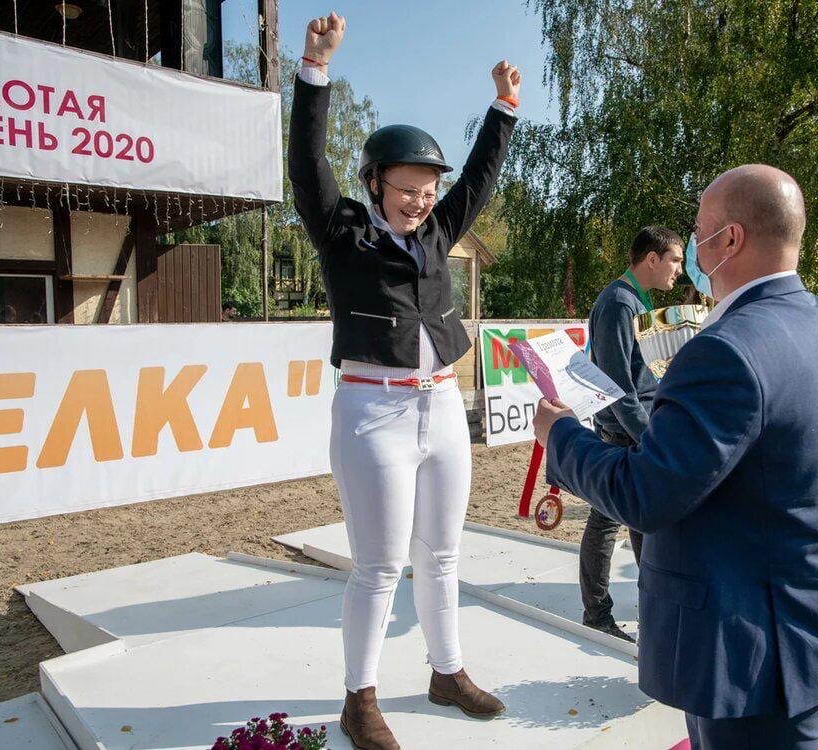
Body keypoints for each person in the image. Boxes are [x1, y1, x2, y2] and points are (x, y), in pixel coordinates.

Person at [534, 164, 818, 750]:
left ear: (731, 238)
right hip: (817, 620)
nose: (692, 246)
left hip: (749, 647)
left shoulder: (727, 349)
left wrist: (560, 435)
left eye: (698, 231)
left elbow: (645, 493)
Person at [289, 12, 519, 748]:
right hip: (372, 414)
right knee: (380, 566)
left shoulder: (438, 233)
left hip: (442, 408)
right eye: (407, 189)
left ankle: (446, 673)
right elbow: (306, 164)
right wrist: (315, 71)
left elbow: (478, 180)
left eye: (427, 190)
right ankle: (359, 700)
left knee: (443, 556)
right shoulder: (343, 232)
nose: (420, 201)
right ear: (374, 184)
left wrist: (503, 109)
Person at [581, 226, 683, 642]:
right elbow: (617, 385)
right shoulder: (619, 303)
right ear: (652, 259)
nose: (680, 269)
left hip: (636, 430)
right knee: (609, 524)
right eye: (675, 260)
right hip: (626, 435)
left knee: (634, 523)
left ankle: (651, 611)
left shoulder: (635, 300)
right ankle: (598, 614)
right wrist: (648, 437)